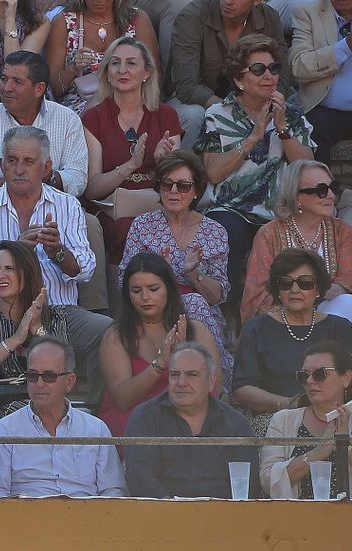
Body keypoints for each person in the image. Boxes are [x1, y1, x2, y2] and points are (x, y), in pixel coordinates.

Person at [0, 126, 112, 389]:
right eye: (12, 161)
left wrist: (58, 253)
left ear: (46, 167)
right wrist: (16, 255)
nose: (19, 169)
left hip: (60, 313)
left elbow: (85, 269)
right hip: (3, 316)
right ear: (2, 165)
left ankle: (99, 415)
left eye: (29, 162)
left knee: (107, 331)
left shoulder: (67, 205)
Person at [197, 34, 314, 282]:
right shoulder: (217, 115)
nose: (268, 76)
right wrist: (254, 136)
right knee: (226, 232)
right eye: (258, 69)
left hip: (279, 210)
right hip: (229, 207)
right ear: (239, 79)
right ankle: (227, 311)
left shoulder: (291, 114)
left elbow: (308, 169)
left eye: (274, 68)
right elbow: (214, 173)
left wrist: (282, 130)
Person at [118, 151, 229, 360]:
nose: (173, 191)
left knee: (194, 302)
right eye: (167, 184)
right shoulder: (143, 226)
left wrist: (194, 274)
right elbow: (123, 281)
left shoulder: (215, 232)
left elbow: (217, 296)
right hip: (149, 308)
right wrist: (159, 273)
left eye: (183, 186)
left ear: (196, 190)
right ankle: (211, 379)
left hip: (202, 314)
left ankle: (209, 380)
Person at [100, 251, 225, 435]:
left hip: (189, 416)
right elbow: (122, 399)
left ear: (168, 288)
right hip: (133, 420)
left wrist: (184, 358)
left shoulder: (197, 331)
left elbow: (215, 387)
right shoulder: (116, 336)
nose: (145, 297)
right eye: (136, 291)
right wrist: (161, 363)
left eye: (153, 289)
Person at [81, 35, 182, 263]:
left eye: (131, 63)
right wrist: (129, 167)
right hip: (113, 211)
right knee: (128, 229)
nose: (122, 70)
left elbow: (178, 181)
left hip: (156, 206)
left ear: (147, 73)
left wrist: (162, 162)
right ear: (107, 72)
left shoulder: (166, 115)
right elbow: (92, 189)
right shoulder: (94, 118)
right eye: (115, 63)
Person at [0, 336, 126, 497]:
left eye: (49, 376)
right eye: (32, 376)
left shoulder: (96, 429)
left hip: (85, 517)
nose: (39, 384)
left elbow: (113, 490)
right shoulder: (5, 429)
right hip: (26, 517)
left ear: (70, 381)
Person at [168, 0, 285, 141]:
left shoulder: (269, 19)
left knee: (287, 111)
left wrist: (259, 106)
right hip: (197, 101)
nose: (228, 0)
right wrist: (230, 109)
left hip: (253, 100)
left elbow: (282, 74)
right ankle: (188, 169)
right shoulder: (193, 16)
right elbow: (186, 86)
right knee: (194, 115)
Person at [235, 250, 352, 433]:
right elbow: (242, 388)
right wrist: (287, 404)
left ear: (318, 289)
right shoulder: (257, 328)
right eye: (286, 283)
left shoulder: (340, 329)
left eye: (305, 283)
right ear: (278, 289)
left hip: (333, 416)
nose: (295, 290)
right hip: (273, 417)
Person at [126, 342, 257, 497]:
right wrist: (176, 512)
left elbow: (248, 486)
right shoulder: (145, 417)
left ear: (211, 381)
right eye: (175, 375)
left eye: (192, 375)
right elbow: (141, 479)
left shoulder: (236, 424)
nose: (181, 382)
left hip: (222, 516)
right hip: (162, 514)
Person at [0, 239, 69, 417]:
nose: (0, 275)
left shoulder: (54, 316)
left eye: (9, 269)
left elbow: (62, 368)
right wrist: (15, 339)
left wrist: (37, 328)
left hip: (42, 401)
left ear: (27, 273)